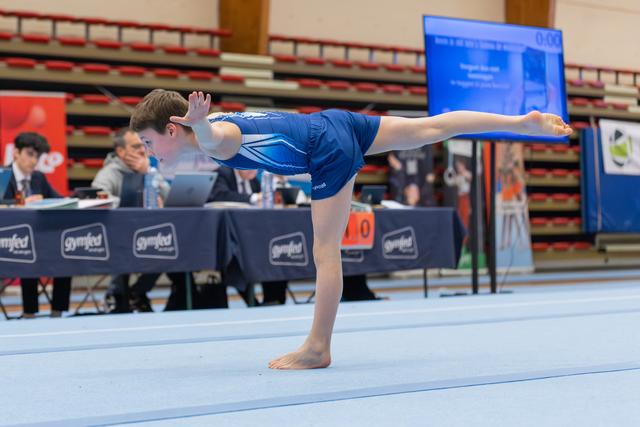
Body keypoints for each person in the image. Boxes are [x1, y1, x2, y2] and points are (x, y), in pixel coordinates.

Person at [130, 89, 572, 370]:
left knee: (325, 250)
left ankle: (318, 347)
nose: (150, 153)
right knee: (429, 128)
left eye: (149, 143)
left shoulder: (217, 135)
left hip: (324, 146)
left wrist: (203, 124)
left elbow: (214, 139)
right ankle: (519, 123)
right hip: (333, 121)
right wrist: (201, 122)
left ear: (173, 128)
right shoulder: (217, 123)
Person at [91, 128, 190, 313]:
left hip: (150, 235)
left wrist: (149, 174)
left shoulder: (149, 170)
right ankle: (120, 293)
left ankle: (136, 292)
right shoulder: (110, 173)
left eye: (144, 146)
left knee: (172, 246)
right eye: (136, 147)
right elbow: (98, 199)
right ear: (121, 151)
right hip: (118, 237)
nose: (142, 151)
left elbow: (170, 200)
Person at [2, 132, 71, 318]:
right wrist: (22, 204)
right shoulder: (3, 175)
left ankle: (58, 311)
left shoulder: (39, 178)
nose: (33, 161)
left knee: (64, 252)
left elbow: (61, 201)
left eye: (37, 157)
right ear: (16, 152)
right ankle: (29, 312)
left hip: (38, 239)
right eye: (30, 154)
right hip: (10, 241)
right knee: (28, 254)